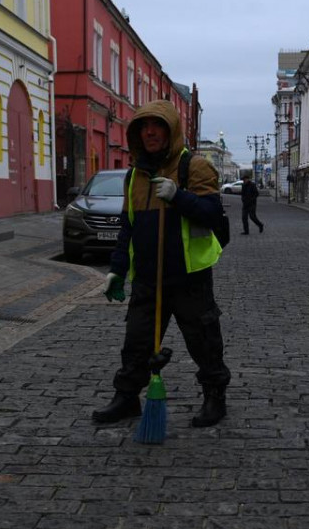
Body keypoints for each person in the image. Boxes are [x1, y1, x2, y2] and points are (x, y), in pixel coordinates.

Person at [93, 99, 232, 428]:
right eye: (143, 126)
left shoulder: (193, 167)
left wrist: (178, 196)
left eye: (157, 125)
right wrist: (117, 270)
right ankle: (127, 397)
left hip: (189, 278)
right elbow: (128, 226)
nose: (150, 132)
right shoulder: (134, 176)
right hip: (147, 278)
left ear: (171, 130)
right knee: (137, 342)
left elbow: (213, 214)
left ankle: (215, 396)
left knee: (203, 341)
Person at [240, 170, 264, 235]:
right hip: (245, 204)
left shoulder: (252, 185)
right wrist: (243, 199)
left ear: (248, 179)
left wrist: (251, 199)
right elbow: (242, 194)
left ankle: (260, 225)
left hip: (252, 204)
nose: (244, 181)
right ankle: (246, 231)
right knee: (244, 218)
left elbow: (256, 194)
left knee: (252, 217)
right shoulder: (243, 185)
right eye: (243, 180)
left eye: (244, 179)